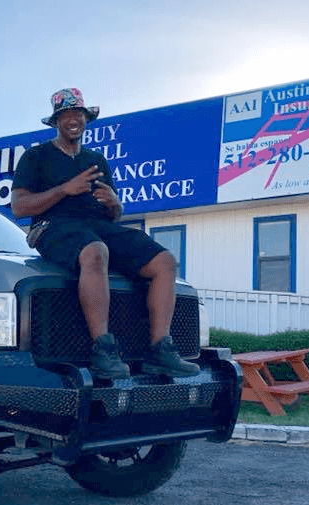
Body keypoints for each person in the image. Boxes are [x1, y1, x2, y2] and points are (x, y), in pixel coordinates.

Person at [11, 87, 200, 380]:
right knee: (96, 251)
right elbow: (20, 206)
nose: (73, 119)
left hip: (100, 226)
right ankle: (103, 349)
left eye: (78, 114)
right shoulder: (36, 157)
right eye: (66, 115)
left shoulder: (97, 160)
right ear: (56, 122)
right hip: (54, 228)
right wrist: (65, 189)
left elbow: (113, 215)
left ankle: (160, 350)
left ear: (86, 119)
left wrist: (115, 203)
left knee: (165, 262)